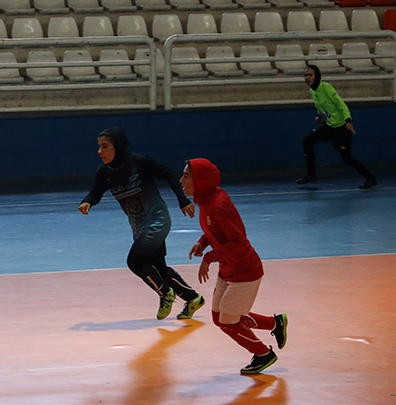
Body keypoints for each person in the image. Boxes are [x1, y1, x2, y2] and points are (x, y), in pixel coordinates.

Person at [79, 128, 205, 321]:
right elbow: (97, 191)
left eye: (105, 147)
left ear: (117, 147)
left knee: (135, 261)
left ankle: (165, 294)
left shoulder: (139, 162)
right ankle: (193, 298)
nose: (100, 151)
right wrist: (88, 201)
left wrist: (182, 200)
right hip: (138, 227)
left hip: (157, 220)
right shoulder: (104, 173)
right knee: (158, 269)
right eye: (99, 147)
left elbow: (169, 174)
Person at [180, 158, 287, 375]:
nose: (180, 180)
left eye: (186, 176)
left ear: (200, 180)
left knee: (228, 322)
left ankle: (263, 354)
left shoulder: (218, 204)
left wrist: (209, 258)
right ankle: (275, 323)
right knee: (219, 318)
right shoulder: (205, 199)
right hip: (228, 268)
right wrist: (203, 242)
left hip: (245, 271)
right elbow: (216, 231)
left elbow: (239, 242)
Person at [296, 64, 376, 189]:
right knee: (307, 142)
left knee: (346, 158)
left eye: (310, 75)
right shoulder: (313, 90)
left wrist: (348, 121)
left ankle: (370, 178)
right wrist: (320, 117)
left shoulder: (327, 87)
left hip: (341, 128)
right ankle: (311, 174)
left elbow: (341, 105)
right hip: (329, 126)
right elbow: (324, 107)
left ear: (317, 76)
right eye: (305, 75)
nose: (307, 78)